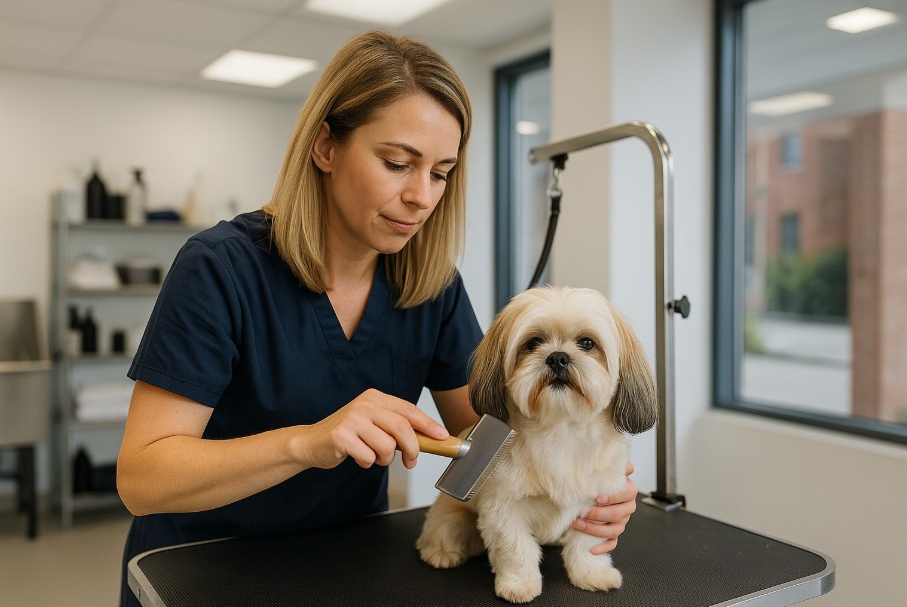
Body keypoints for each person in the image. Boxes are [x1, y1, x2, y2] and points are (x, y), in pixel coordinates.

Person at [116, 31, 638, 606]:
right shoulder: (220, 269)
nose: (421, 196)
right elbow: (142, 479)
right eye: (397, 163)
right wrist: (307, 443)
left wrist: (592, 487)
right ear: (325, 147)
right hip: (204, 566)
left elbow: (485, 442)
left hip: (351, 561)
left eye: (441, 173)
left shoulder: (430, 283)